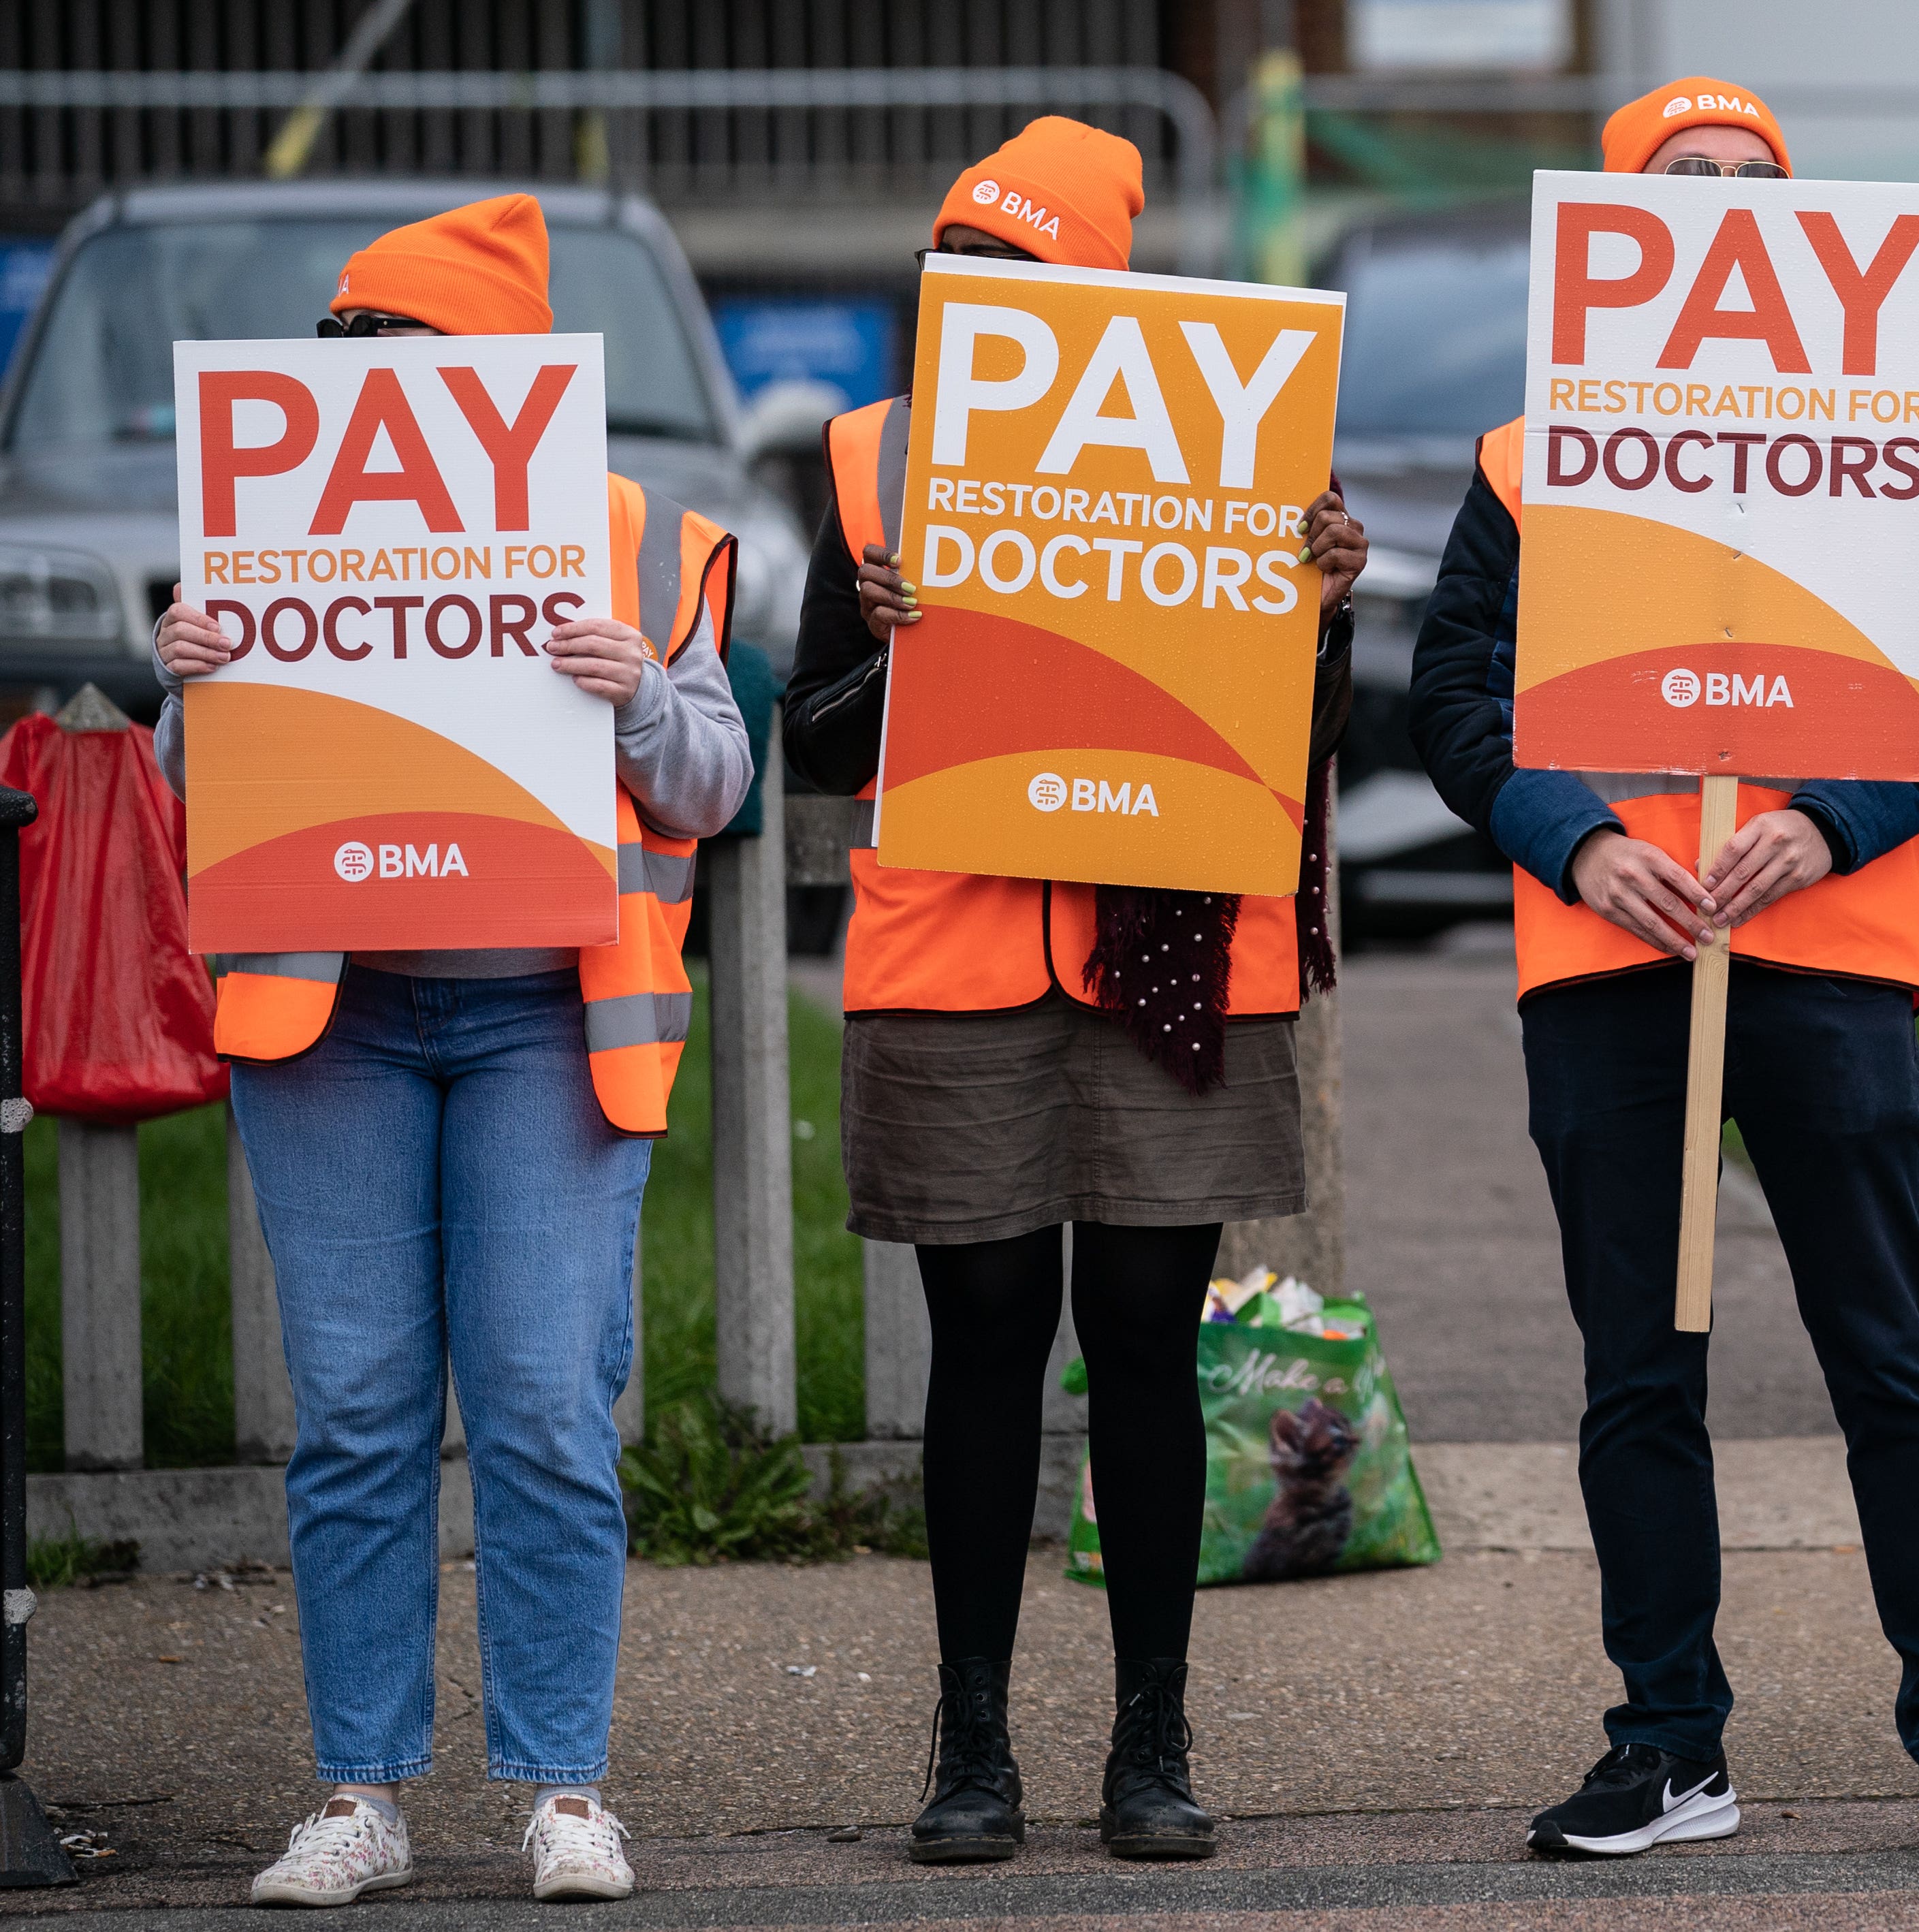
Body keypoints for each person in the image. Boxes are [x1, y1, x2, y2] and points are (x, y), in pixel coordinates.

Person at [1409, 77, 1919, 1859]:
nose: (1718, 201)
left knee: (1887, 1355)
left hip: (1831, 952)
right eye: (1681, 179)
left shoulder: (1889, 436)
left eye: (1751, 179)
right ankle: (1667, 1741)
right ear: (1613, 223)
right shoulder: (1532, 456)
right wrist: (1581, 836)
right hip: (1611, 957)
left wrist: (1835, 817)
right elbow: (1452, 694)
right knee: (1640, 1366)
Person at [150, 193, 751, 1905]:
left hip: (548, 1022)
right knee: (354, 1415)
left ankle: (564, 1791)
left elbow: (716, 786)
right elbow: (211, 791)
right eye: (340, 349)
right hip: (333, 1016)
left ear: (491, 369)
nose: (357, 383)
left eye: (390, 349)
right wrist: (190, 680)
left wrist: (636, 688)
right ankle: (363, 1795)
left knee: (549, 1410)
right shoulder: (270, 502)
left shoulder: (644, 537)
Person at [779, 118, 1365, 1867]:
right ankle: (970, 1751)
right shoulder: (876, 461)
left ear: (1096, 299)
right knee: (980, 1357)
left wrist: (1323, 612)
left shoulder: (1226, 451)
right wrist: (892, 653)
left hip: (1155, 973)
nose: (975, 300)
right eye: (955, 267)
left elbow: (1300, 744)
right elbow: (814, 748)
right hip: (953, 970)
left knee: (1143, 1356)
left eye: (1015, 274)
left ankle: (1149, 1745)